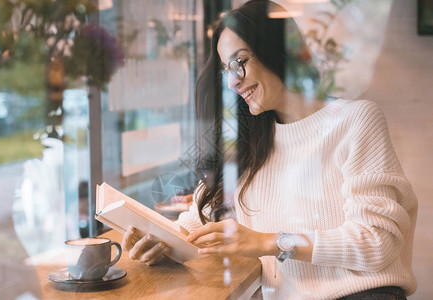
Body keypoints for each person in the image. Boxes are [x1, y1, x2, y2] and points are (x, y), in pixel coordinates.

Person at [122, 0, 417, 299]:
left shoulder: (355, 120)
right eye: (226, 69)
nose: (233, 81)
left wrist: (270, 242)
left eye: (239, 62)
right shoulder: (250, 144)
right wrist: (158, 243)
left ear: (278, 50)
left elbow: (378, 242)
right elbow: (193, 226)